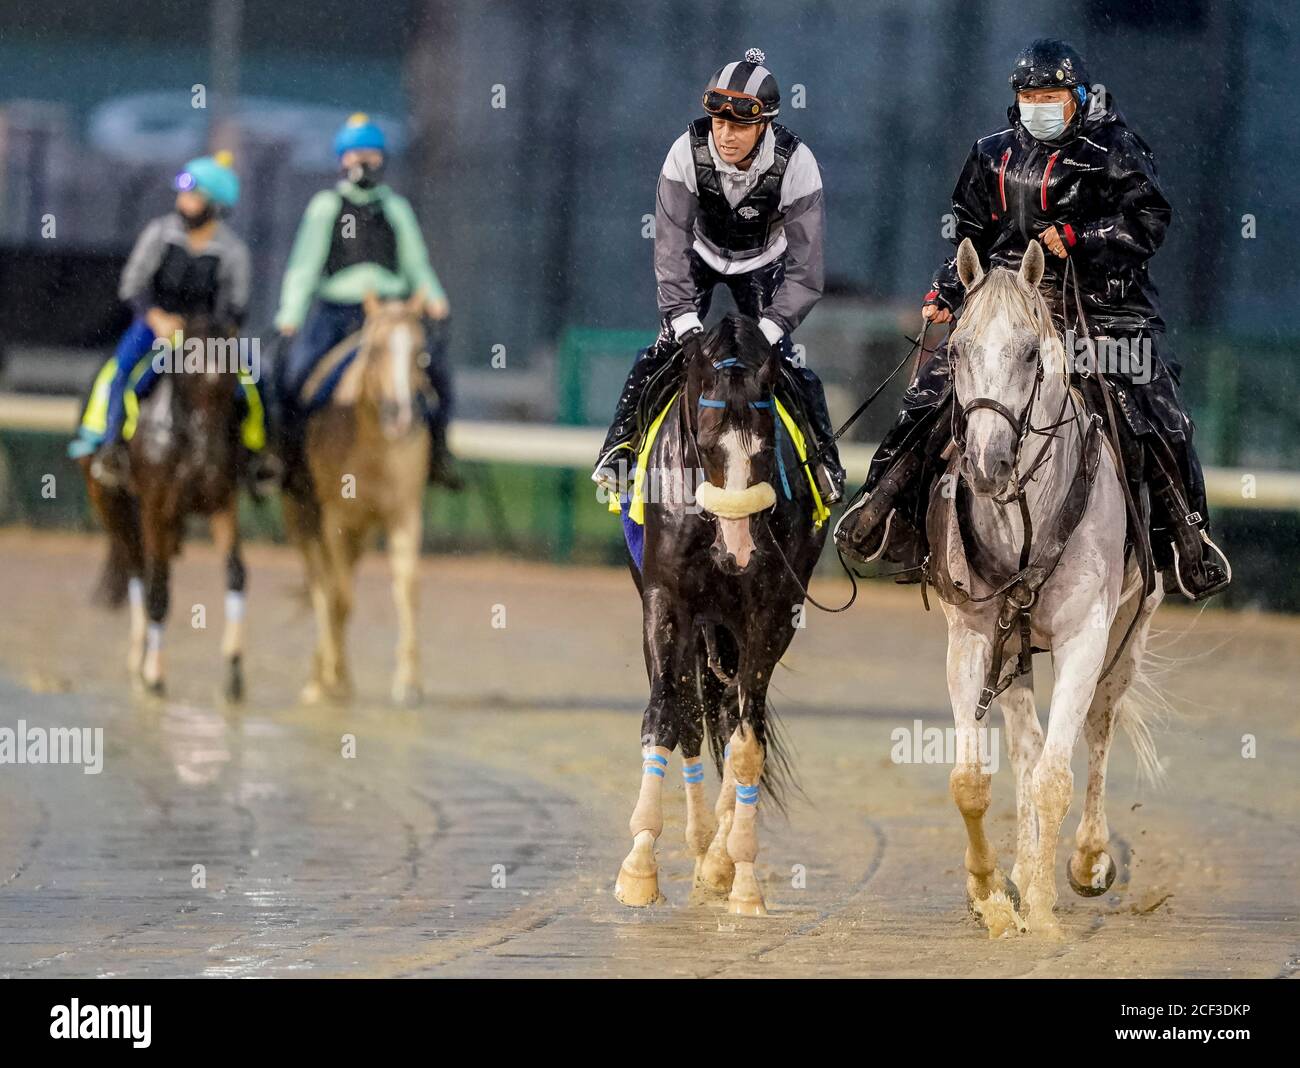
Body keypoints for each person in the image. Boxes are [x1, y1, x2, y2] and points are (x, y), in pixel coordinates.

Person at [834, 38, 1230, 600]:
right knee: (932, 393)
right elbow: (971, 231)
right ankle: (885, 507)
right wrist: (949, 288)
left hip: (1101, 308)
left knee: (1155, 404)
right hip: (1008, 301)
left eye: (1051, 95)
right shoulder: (991, 153)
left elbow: (1148, 223)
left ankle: (1188, 540)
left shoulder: (1115, 148)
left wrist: (1079, 238)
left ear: (1078, 96)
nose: (1038, 105)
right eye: (1029, 95)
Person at [593, 48, 844, 503]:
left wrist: (770, 330)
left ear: (764, 123)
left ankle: (823, 462)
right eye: (719, 124)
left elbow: (807, 272)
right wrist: (684, 323)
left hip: (765, 262)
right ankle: (618, 452)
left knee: (788, 364)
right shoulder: (683, 152)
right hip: (700, 255)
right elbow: (669, 247)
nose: (725, 136)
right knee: (662, 353)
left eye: (740, 126)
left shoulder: (797, 163)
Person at [272, 113, 461, 489]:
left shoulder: (396, 209)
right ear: (342, 159)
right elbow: (303, 267)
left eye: (372, 155)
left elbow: (416, 264)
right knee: (295, 376)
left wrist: (435, 299)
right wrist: (290, 315)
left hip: (391, 316)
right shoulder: (325, 207)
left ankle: (438, 457)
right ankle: (288, 462)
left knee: (438, 378)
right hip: (337, 314)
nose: (364, 162)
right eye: (356, 154)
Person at [92, 152, 262, 488]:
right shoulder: (160, 233)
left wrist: (208, 334)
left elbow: (236, 307)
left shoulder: (232, 251)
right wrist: (157, 318)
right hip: (154, 326)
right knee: (122, 373)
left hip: (207, 338)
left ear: (214, 205)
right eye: (184, 194)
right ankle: (111, 446)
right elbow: (133, 283)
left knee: (251, 384)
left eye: (193, 196)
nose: (183, 202)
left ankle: (256, 455)